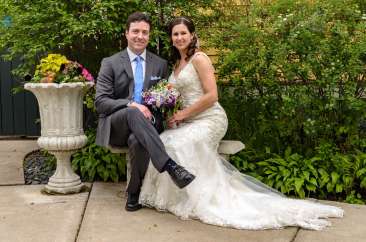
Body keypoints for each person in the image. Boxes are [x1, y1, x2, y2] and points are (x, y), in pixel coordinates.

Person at [138, 16, 344, 230]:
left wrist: (182, 115)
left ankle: (201, 197)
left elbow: (212, 96)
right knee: (164, 140)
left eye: (183, 33)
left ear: (192, 35)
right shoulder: (177, 63)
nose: (179, 37)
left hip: (211, 119)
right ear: (171, 38)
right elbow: (176, 94)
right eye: (175, 34)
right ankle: (179, 197)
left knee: (180, 144)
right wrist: (168, 108)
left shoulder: (200, 58)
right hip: (189, 119)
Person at [95, 12, 195, 212]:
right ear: (126, 33)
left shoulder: (160, 64)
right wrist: (132, 104)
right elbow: (101, 102)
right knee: (133, 113)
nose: (140, 36)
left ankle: (133, 194)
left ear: (149, 36)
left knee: (136, 140)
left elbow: (166, 98)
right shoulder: (111, 63)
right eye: (135, 31)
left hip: (148, 126)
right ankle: (170, 166)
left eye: (144, 32)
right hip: (119, 123)